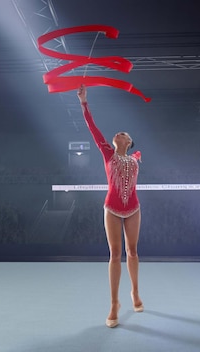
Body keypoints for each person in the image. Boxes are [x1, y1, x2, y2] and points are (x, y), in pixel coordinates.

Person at [77, 85, 144, 328]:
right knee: (115, 254)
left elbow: (137, 157)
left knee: (133, 252)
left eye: (124, 134)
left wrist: (137, 157)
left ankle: (135, 292)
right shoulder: (108, 153)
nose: (119, 133)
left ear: (129, 142)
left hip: (134, 207)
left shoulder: (135, 158)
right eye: (118, 133)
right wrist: (85, 103)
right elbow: (93, 129)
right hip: (112, 209)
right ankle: (114, 303)